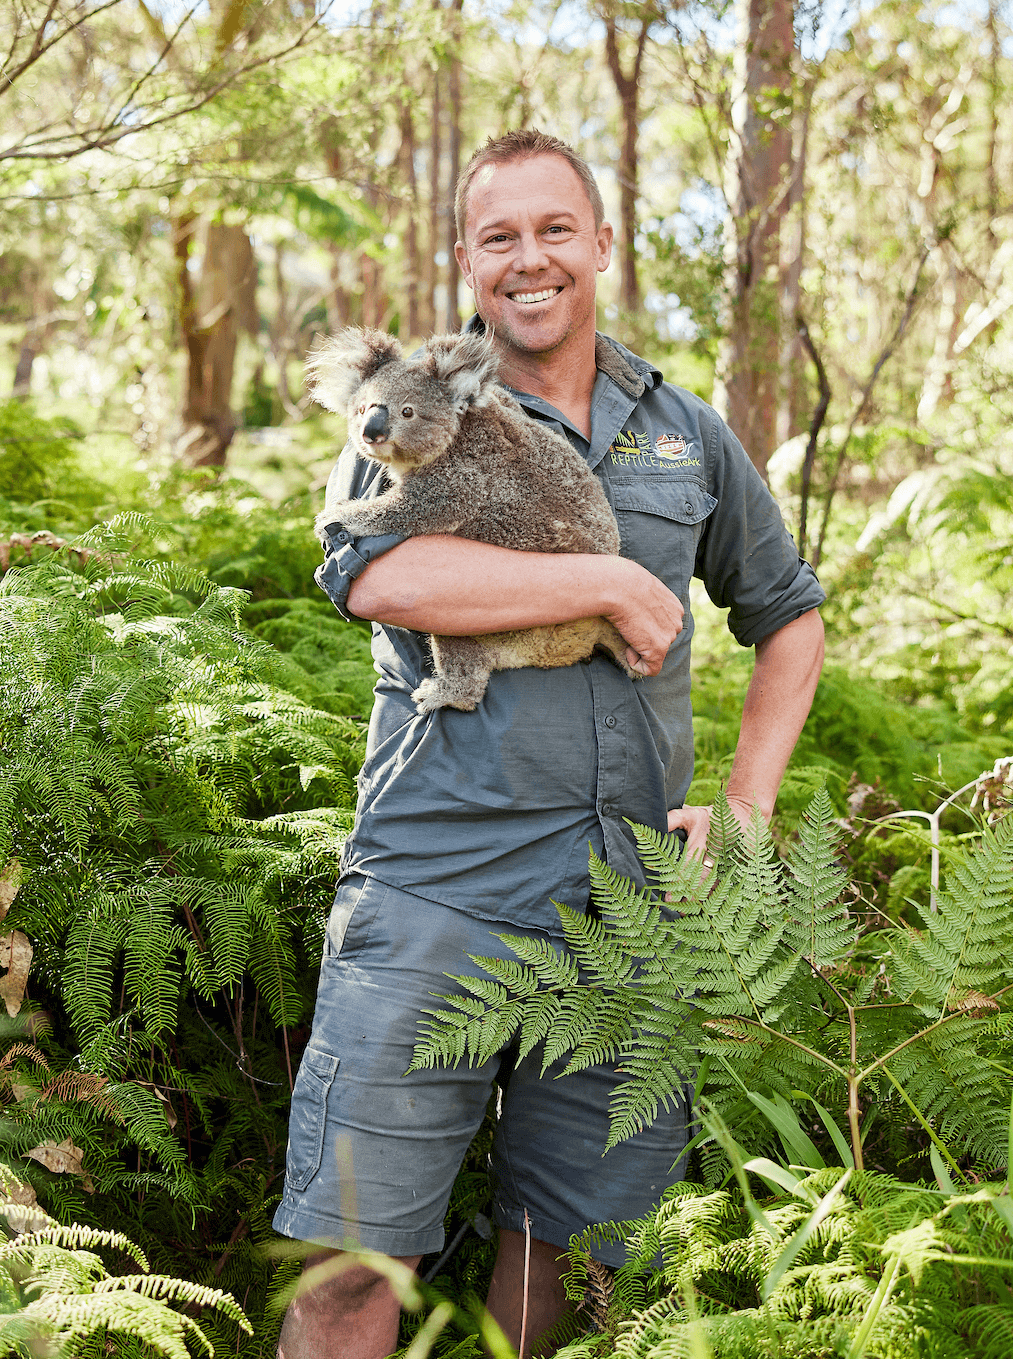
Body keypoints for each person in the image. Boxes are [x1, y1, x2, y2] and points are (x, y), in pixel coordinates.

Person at [275, 129, 826, 1359]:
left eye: (553, 230)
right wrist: (611, 581)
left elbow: (787, 617)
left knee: (579, 1256)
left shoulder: (681, 429)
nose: (529, 260)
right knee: (357, 1253)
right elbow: (380, 571)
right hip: (435, 882)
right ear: (466, 261)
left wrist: (742, 805)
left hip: (627, 896)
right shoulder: (414, 406)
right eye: (498, 237)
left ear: (600, 244)